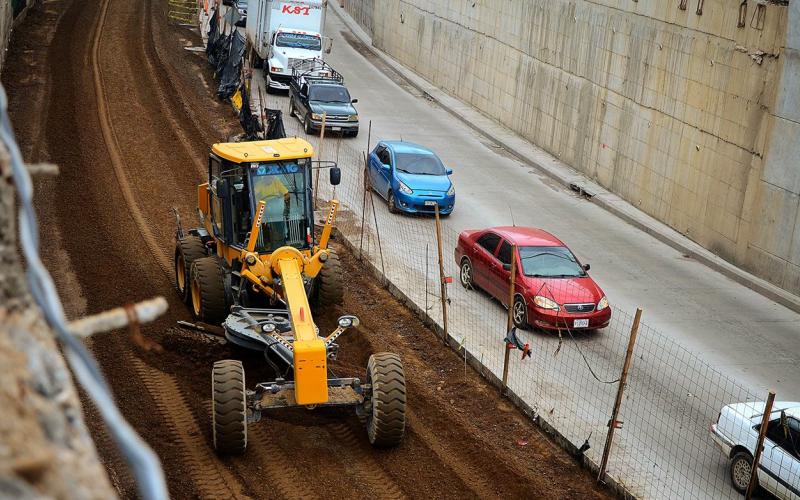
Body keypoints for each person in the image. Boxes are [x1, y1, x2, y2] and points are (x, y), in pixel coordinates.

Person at [253, 175, 291, 249]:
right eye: (267, 178)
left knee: (280, 223)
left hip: (276, 209)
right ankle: (265, 242)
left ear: (273, 177)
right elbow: (253, 195)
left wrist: (280, 200)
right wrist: (259, 200)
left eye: (271, 178)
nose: (269, 179)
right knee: (262, 224)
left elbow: (287, 194)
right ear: (264, 178)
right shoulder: (259, 184)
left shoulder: (276, 182)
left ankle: (283, 240)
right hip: (264, 209)